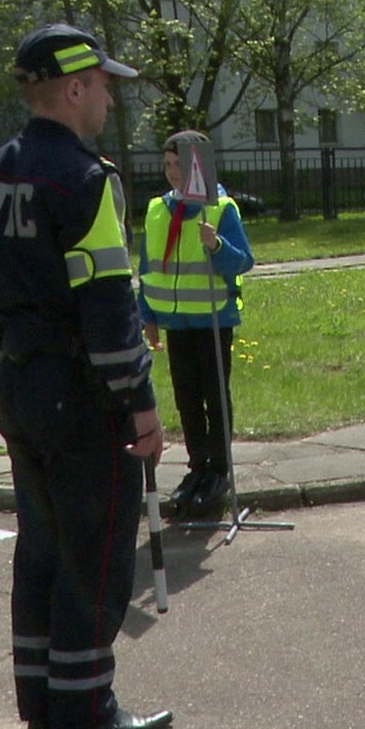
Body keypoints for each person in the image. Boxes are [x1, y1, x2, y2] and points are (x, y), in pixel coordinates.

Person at [0, 23, 172, 729]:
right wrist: (142, 404)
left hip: (16, 385)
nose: (107, 98)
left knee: (39, 547)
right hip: (80, 394)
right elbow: (108, 305)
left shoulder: (0, 169)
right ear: (73, 89)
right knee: (94, 551)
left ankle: (40, 699)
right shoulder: (87, 180)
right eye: (102, 85)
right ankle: (85, 708)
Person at [139, 129, 255, 518]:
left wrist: (217, 245)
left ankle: (218, 471)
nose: (173, 173)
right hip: (177, 322)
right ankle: (196, 467)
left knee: (213, 396)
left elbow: (243, 261)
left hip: (212, 319)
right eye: (167, 164)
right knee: (187, 397)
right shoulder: (158, 209)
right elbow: (148, 266)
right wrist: (148, 315)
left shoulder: (220, 209)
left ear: (196, 167)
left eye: (179, 165)